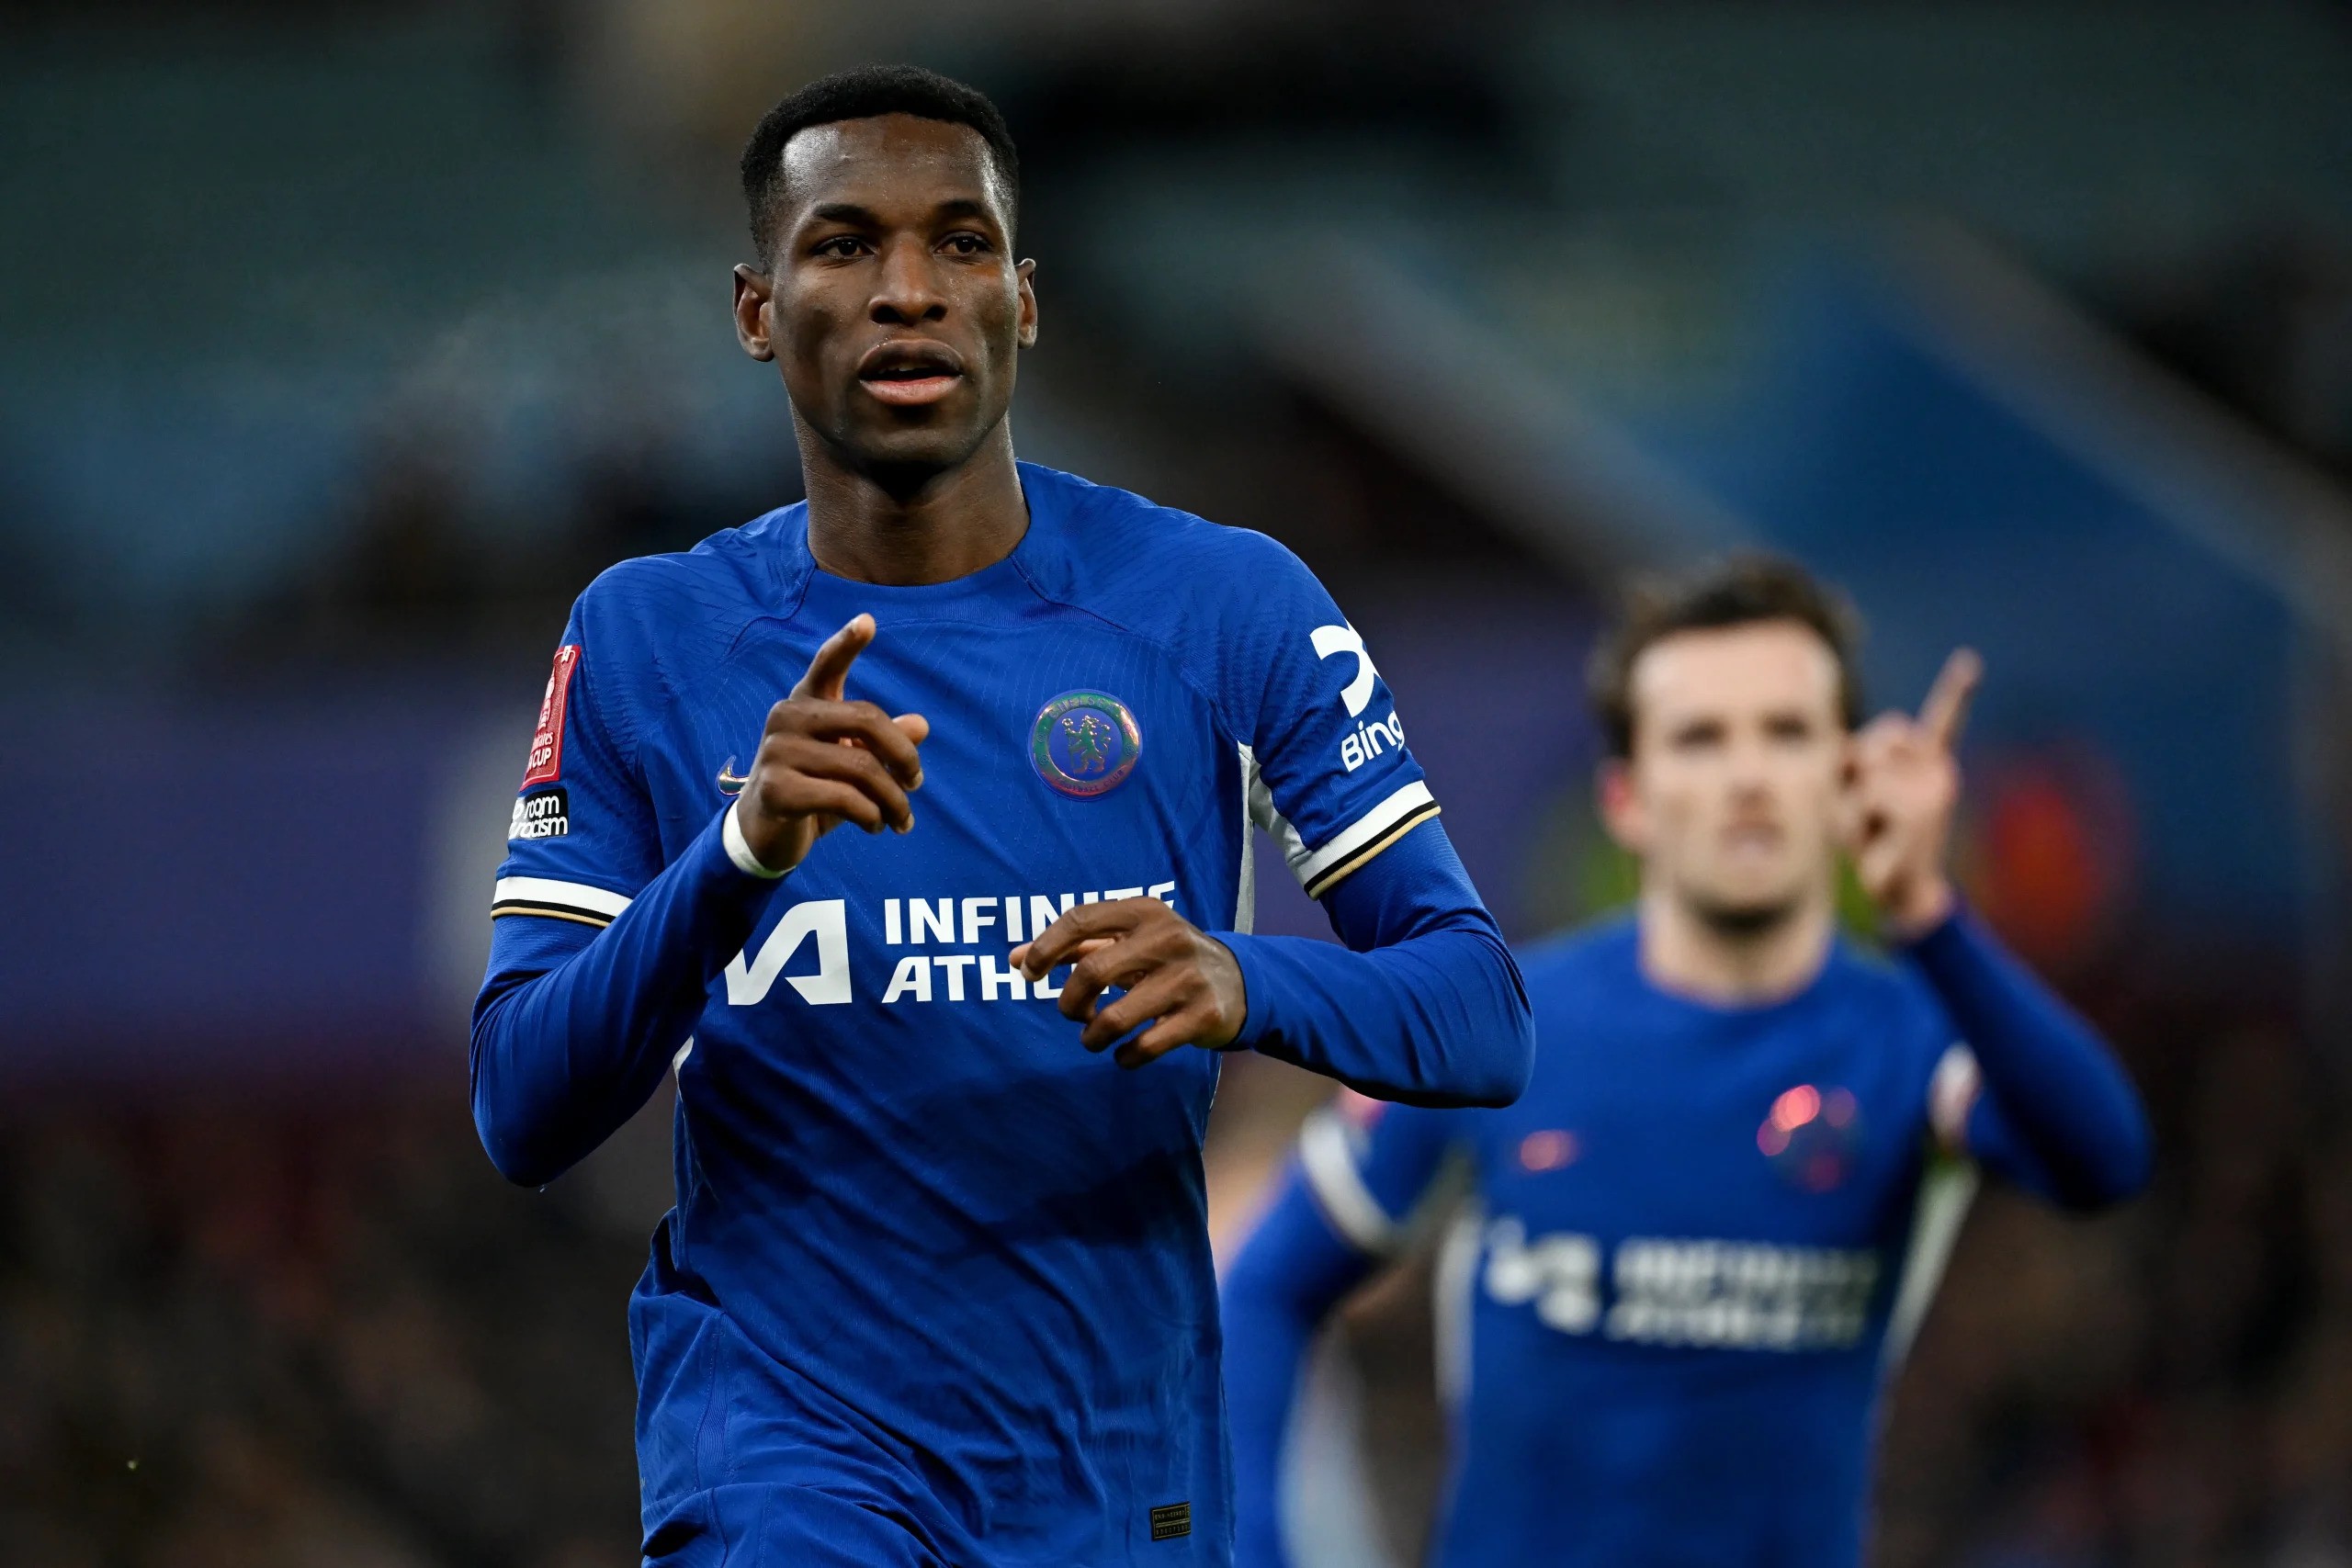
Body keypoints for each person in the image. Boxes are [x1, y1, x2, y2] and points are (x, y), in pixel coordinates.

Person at [468, 64, 1533, 1568]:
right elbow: (520, 1103)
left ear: (1023, 301)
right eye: (845, 244)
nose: (908, 289)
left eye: (960, 242)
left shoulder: (1222, 604)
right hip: (786, 1457)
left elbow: (1481, 1010)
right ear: (758, 310)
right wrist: (738, 855)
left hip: (1111, 1469)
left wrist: (1244, 980)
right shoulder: (652, 634)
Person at [1221, 558, 2153, 1568]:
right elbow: (1263, 1290)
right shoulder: (1497, 1024)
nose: (1747, 776)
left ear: (1843, 777)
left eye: (1786, 732)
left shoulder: (1910, 1039)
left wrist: (1928, 914)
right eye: (1701, 738)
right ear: (1626, 797)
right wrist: (1251, 1546)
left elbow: (2101, 1159)